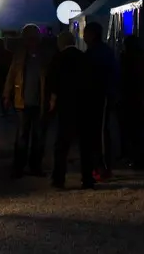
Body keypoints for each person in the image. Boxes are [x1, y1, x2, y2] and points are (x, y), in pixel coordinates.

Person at [47, 32, 96, 189]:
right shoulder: (84, 57)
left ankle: (59, 178)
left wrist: (52, 103)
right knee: (85, 145)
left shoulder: (57, 59)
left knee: (62, 144)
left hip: (65, 106)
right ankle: (87, 178)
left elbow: (52, 83)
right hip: (84, 105)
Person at [4, 24, 49, 178]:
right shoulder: (20, 56)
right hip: (23, 102)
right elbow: (12, 75)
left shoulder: (44, 56)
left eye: (34, 38)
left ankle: (33, 166)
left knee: (36, 137)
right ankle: (20, 167)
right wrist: (7, 94)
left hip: (38, 102)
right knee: (23, 137)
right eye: (29, 38)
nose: (32, 41)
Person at [83, 21, 119, 181]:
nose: (83, 36)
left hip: (100, 96)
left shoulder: (98, 53)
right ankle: (99, 166)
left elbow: (107, 76)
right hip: (98, 96)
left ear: (92, 35)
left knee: (100, 133)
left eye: (86, 33)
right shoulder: (101, 51)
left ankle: (102, 167)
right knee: (97, 133)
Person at [119, 35, 144, 169]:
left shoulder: (127, 58)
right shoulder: (142, 58)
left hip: (131, 98)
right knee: (141, 131)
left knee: (133, 132)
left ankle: (137, 159)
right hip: (140, 98)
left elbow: (125, 79)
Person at [0, 39, 14, 117]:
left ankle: (4, 111)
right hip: (8, 76)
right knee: (10, 94)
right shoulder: (9, 53)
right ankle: (11, 109)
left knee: (2, 94)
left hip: (0, 77)